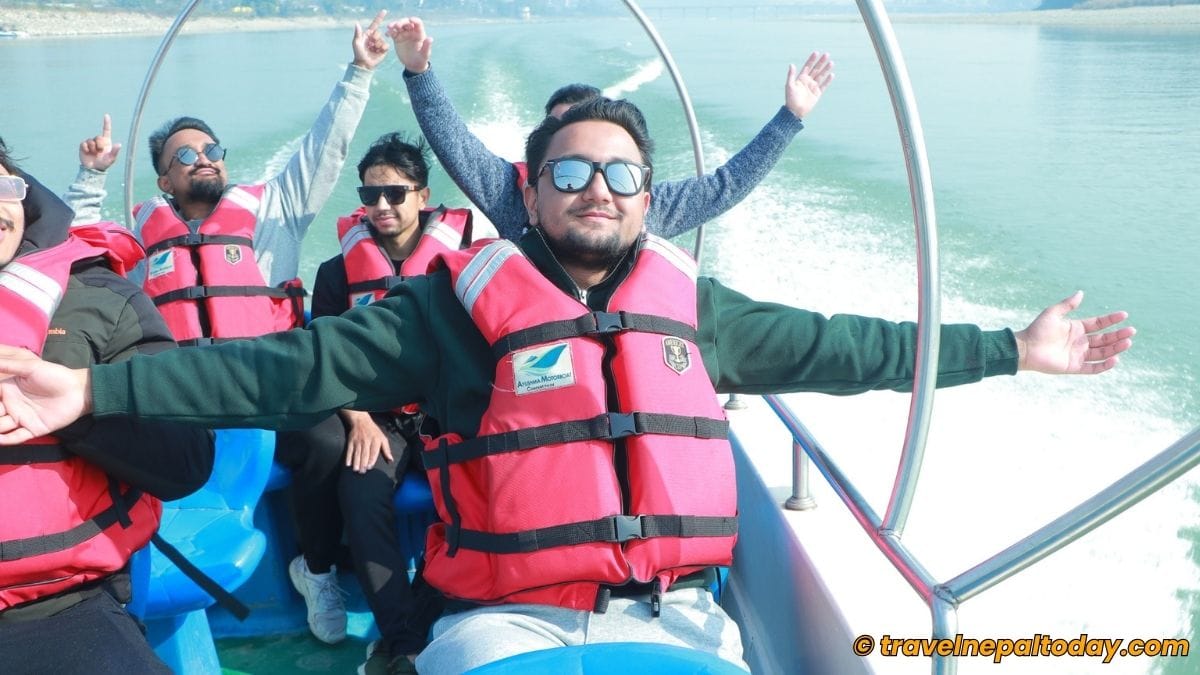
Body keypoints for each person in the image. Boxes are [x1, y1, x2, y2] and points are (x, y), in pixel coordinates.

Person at [0, 99, 1134, 673]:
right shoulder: (450, 315)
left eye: (623, 172)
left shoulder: (700, 313)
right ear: (529, 192)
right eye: (572, 171)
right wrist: (91, 397)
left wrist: (1014, 350)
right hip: (499, 627)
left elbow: (849, 347)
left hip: (684, 624)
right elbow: (286, 363)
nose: (600, 187)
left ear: (650, 194)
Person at [61, 12, 393, 646]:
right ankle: (120, 580)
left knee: (327, 447)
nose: (204, 159)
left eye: (212, 150)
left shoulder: (272, 217)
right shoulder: (139, 238)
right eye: (186, 155)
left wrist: (359, 73)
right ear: (164, 179)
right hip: (184, 395)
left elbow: (323, 149)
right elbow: (82, 250)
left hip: (273, 388)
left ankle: (316, 567)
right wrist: (92, 177)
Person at [0, 139, 213, 674]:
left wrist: (83, 403)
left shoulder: (100, 297)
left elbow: (187, 458)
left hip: (55, 608)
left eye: (1, 184)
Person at [281, 132, 471, 675]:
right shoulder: (337, 274)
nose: (381, 206)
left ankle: (445, 616)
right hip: (378, 415)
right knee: (360, 492)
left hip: (441, 414)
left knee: (479, 495)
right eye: (370, 195)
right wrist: (359, 419)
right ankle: (405, 641)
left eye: (395, 193)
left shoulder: (459, 262)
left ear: (423, 196)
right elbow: (328, 354)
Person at [386, 16, 834, 240]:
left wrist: (789, 118)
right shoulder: (512, 198)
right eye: (560, 130)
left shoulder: (645, 207)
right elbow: (454, 142)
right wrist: (419, 72)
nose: (595, 186)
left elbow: (726, 185)